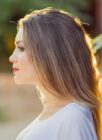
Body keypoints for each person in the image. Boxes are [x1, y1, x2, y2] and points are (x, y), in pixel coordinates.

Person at [9, 8, 102, 140]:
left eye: (21, 48)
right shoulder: (56, 115)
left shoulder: (73, 117)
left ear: (50, 54)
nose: (12, 58)